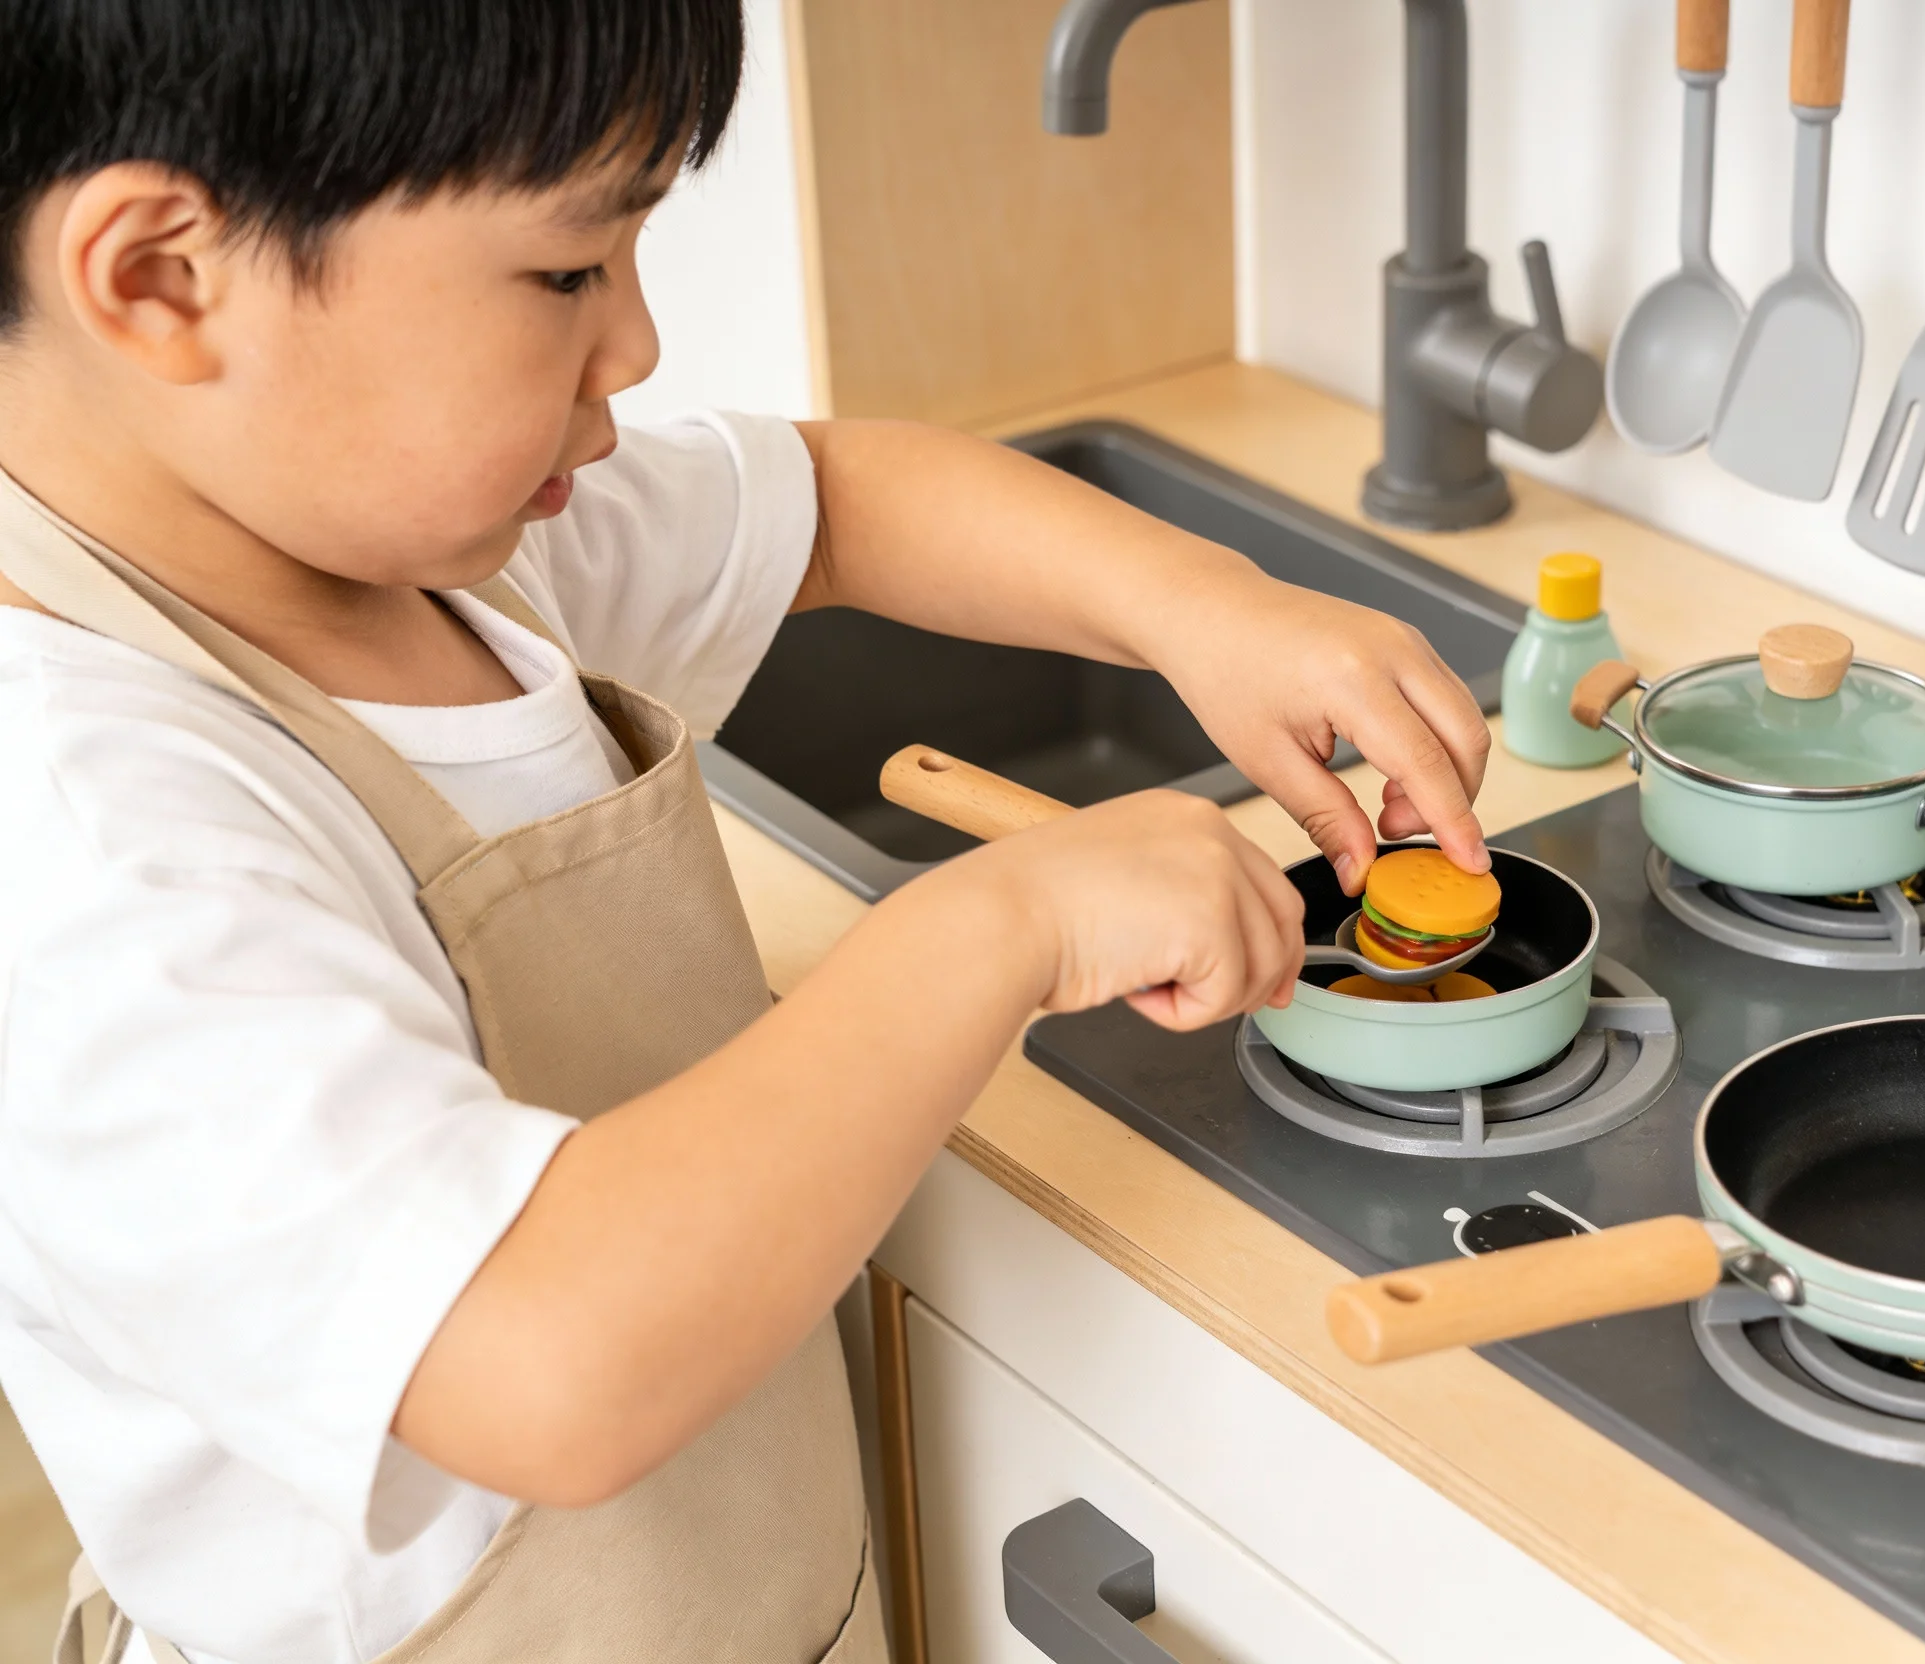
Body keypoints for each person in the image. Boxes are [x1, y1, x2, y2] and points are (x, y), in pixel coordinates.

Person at [0, 3, 1493, 1660]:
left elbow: (836, 504)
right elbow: (539, 1361)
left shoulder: (408, 551)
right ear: (161, 278)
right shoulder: (81, 845)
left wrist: (1208, 609)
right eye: (569, 270)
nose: (634, 345)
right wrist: (1000, 924)